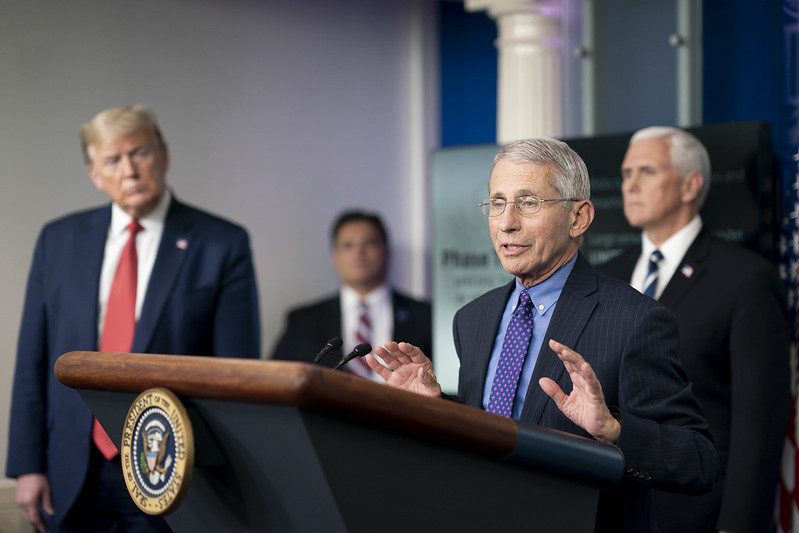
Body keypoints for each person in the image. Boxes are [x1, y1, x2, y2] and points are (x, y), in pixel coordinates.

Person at [365, 138, 719, 532]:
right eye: (497, 203)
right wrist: (435, 406)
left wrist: (613, 430)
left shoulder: (635, 319)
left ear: (579, 217)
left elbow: (699, 461)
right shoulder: (473, 318)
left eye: (529, 202)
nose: (506, 222)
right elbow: (492, 429)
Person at [6, 105, 261, 532]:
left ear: (163, 155)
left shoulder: (221, 243)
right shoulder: (58, 240)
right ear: (94, 173)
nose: (129, 170)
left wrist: (224, 480)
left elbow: (237, 374)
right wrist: (28, 465)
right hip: (72, 469)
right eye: (112, 160)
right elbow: (33, 359)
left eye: (139, 153)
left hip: (175, 470)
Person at [597, 126, 790, 533]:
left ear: (691, 185)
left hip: (695, 514)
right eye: (626, 173)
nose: (629, 184)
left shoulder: (745, 279)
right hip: (606, 506)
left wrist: (738, 525)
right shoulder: (605, 276)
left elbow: (758, 422)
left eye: (646, 172)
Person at [271, 210, 431, 379]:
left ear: (387, 253)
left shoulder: (426, 316)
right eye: (348, 245)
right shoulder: (304, 320)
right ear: (335, 257)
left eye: (370, 243)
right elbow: (275, 382)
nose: (359, 253)